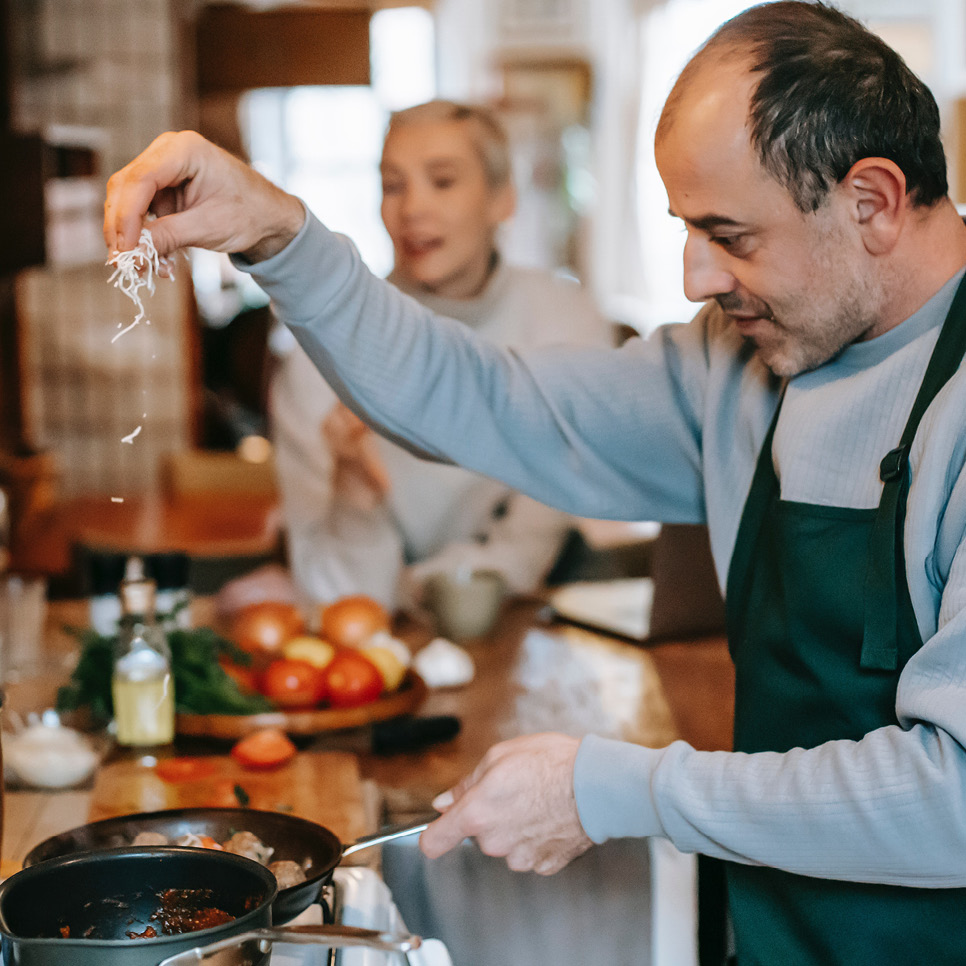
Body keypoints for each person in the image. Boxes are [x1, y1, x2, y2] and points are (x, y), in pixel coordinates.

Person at [104, 3, 966, 962]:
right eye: (685, 229)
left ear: (874, 202)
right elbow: (483, 398)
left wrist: (617, 789)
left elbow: (954, 799)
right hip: (774, 934)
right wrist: (281, 240)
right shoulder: (739, 372)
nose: (693, 279)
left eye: (732, 236)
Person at [269, 100, 608, 612]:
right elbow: (337, 599)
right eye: (393, 185)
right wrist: (356, 496)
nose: (412, 210)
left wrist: (417, 586)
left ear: (503, 199)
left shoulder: (567, 323)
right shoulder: (319, 359)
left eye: (443, 181)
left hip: (516, 621)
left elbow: (527, 547)